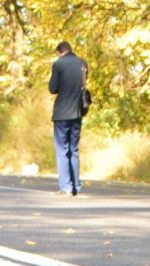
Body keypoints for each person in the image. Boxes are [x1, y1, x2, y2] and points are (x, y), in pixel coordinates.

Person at [49, 41, 88, 194]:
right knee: (74, 149)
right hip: (78, 111)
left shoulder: (58, 64)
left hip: (61, 114)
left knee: (62, 150)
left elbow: (53, 88)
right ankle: (76, 186)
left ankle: (65, 186)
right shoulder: (82, 63)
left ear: (59, 52)